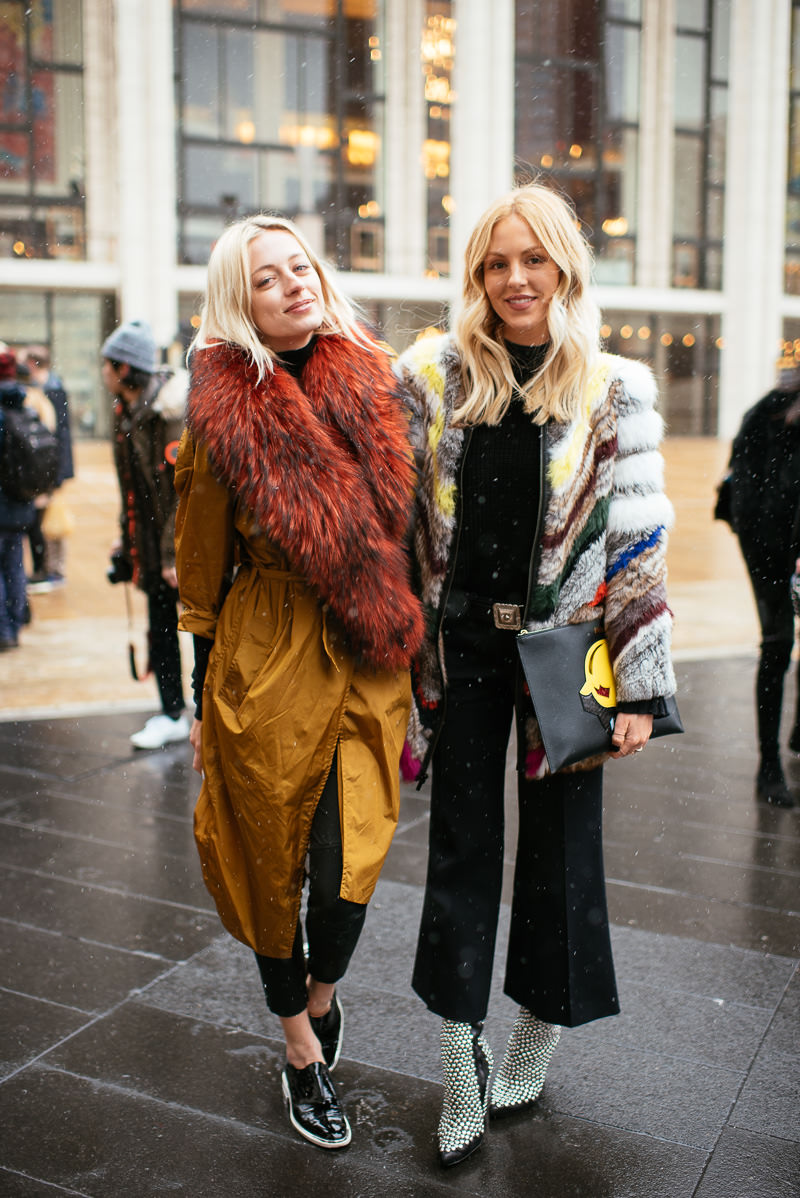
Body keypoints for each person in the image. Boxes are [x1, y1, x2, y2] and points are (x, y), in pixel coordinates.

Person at [395, 183, 676, 1167]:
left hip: (572, 652)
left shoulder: (611, 384)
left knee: (562, 849)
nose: (514, 279)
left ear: (563, 267)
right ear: (475, 274)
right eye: (495, 262)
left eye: (533, 260)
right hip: (463, 648)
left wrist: (640, 683)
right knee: (460, 850)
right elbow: (393, 520)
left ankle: (535, 1027)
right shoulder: (430, 373)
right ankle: (457, 1051)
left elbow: (637, 536)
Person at [173, 214, 423, 1150]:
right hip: (266, 650)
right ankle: (297, 1050)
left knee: (354, 857)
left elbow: (415, 533)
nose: (293, 285)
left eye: (299, 267)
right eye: (267, 280)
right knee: (271, 861)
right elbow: (200, 574)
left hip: (365, 653)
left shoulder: (377, 378)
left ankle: (322, 997)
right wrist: (201, 699)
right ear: (240, 304)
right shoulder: (223, 411)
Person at [101, 319, 190, 750]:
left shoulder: (169, 413)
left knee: (205, 627)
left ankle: (207, 716)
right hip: (153, 545)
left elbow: (181, 492)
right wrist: (127, 536)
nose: (102, 372)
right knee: (161, 625)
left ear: (123, 369)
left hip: (179, 546)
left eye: (107, 364)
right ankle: (173, 712)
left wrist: (174, 554)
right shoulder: (127, 413)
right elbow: (133, 487)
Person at [724, 365, 800, 808]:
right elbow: (745, 492)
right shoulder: (768, 415)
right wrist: (773, 553)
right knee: (777, 644)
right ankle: (767, 765)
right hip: (769, 547)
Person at [24, 345, 75, 592]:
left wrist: (57, 473)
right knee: (45, 518)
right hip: (49, 465)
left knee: (53, 519)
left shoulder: (52, 390)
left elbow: (60, 435)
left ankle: (54, 570)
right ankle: (48, 569)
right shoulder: (47, 388)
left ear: (34, 364)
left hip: (51, 467)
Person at [0, 344, 35, 650]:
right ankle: (14, 622)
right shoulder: (24, 405)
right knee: (14, 565)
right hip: (20, 503)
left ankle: (4, 630)